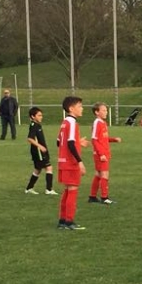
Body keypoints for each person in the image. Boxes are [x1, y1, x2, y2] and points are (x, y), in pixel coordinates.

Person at [56, 96, 90, 230]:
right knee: (72, 191)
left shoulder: (64, 122)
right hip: (70, 163)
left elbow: (59, 142)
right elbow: (70, 143)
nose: (82, 108)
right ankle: (69, 222)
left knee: (67, 190)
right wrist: (80, 162)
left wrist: (78, 142)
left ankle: (62, 221)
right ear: (71, 108)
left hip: (62, 162)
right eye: (79, 106)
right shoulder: (72, 123)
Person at [89, 103, 122, 205]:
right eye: (103, 110)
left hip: (104, 153)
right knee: (104, 174)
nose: (106, 112)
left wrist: (113, 139)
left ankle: (92, 197)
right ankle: (104, 197)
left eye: (106, 110)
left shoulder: (103, 123)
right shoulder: (97, 123)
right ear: (97, 112)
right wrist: (101, 154)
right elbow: (94, 139)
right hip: (101, 154)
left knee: (98, 174)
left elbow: (103, 138)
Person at [24, 107, 58, 196]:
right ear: (33, 116)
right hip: (38, 151)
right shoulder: (34, 126)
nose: (41, 117)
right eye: (39, 115)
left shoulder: (37, 125)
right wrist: (40, 146)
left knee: (37, 170)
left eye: (41, 115)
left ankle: (29, 188)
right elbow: (30, 138)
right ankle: (49, 189)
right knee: (49, 167)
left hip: (39, 151)